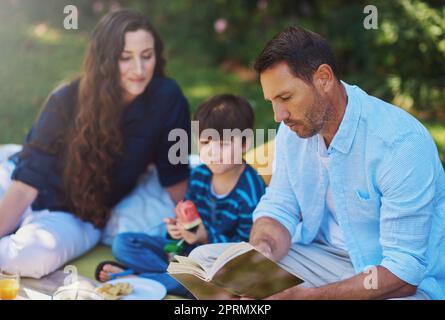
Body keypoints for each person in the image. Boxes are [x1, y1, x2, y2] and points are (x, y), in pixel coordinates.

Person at [189, 26, 445, 300]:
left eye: (285, 98)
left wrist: (308, 297)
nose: (278, 115)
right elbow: (279, 206)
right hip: (321, 259)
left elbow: (404, 274)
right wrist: (262, 250)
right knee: (202, 261)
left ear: (323, 78)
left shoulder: (400, 144)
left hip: (387, 279)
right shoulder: (292, 131)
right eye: (272, 101)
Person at [0, 9, 191, 278]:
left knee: (29, 258)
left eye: (146, 56)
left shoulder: (167, 99)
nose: (139, 69)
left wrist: (195, 228)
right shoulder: (66, 99)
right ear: (105, 60)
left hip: (76, 215)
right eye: (125, 58)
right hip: (20, 185)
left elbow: (175, 174)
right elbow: (25, 184)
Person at [96, 94, 266, 297]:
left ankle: (135, 279)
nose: (212, 152)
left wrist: (205, 236)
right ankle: (159, 278)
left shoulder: (251, 190)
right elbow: (186, 221)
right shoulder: (200, 174)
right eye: (205, 143)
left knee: (205, 284)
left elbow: (245, 250)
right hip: (184, 256)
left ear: (245, 143)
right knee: (123, 243)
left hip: (215, 267)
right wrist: (174, 234)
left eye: (222, 144)